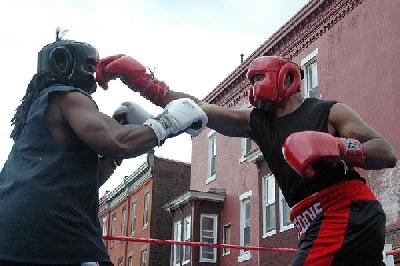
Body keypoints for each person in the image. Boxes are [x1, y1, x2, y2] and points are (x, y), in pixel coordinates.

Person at [96, 54, 398, 265]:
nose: (253, 89)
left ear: (287, 77)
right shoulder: (257, 122)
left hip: (344, 209)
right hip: (310, 220)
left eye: (258, 78)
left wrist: (339, 146)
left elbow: (386, 152)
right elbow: (196, 108)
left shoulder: (328, 111)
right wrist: (147, 84)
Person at [0, 38, 207, 266]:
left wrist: (114, 156)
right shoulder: (68, 97)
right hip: (57, 232)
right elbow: (117, 141)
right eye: (89, 67)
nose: (94, 76)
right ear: (62, 63)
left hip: (12, 235)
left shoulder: (32, 114)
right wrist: (169, 121)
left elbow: (86, 180)